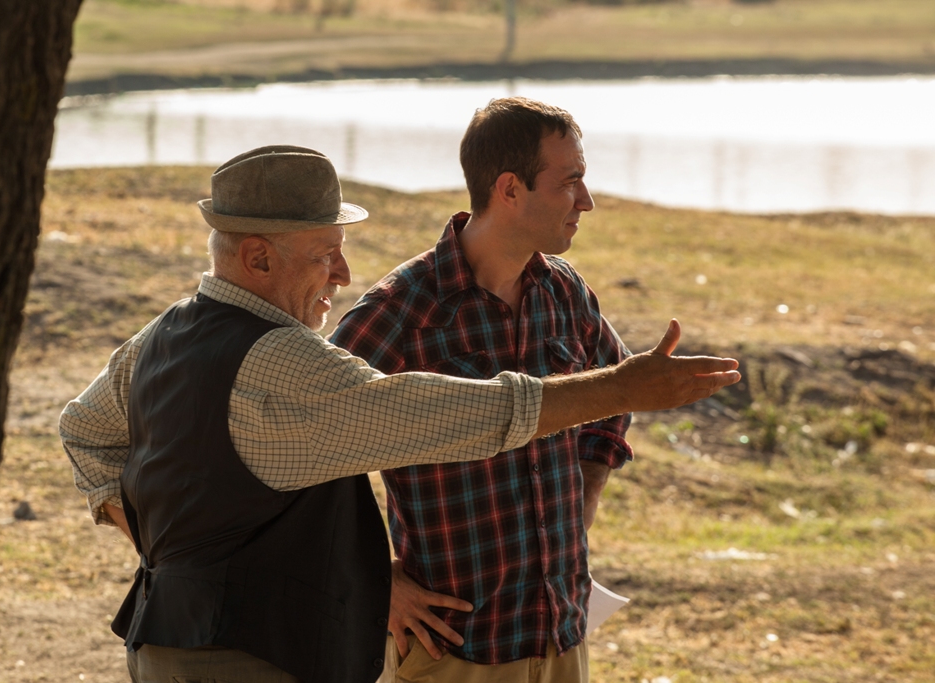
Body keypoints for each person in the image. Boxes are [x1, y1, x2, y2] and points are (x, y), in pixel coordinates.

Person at [60, 144, 739, 683]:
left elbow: (84, 430)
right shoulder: (286, 363)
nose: (343, 274)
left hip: (170, 646)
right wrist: (620, 387)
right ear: (258, 257)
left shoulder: (164, 333)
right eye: (326, 253)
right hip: (249, 660)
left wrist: (171, 556)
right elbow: (444, 413)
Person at [329, 97, 672, 682]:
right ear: (510, 189)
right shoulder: (402, 311)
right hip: (452, 653)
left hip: (560, 636)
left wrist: (585, 498)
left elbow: (616, 398)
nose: (586, 201)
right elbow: (307, 442)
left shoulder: (565, 292)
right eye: (571, 182)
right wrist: (375, 578)